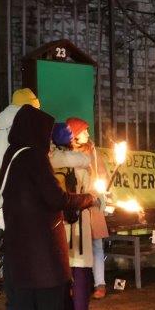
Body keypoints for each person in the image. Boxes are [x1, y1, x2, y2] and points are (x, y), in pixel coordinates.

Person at [0, 105, 95, 310]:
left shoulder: (13, 154)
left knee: (25, 302)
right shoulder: (34, 157)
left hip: (21, 242)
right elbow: (56, 198)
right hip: (40, 244)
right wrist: (87, 199)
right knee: (48, 299)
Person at [0, 88, 41, 310]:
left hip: (6, 201)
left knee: (12, 254)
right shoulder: (29, 129)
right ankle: (28, 305)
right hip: (28, 202)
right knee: (30, 254)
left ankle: (12, 306)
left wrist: (3, 188)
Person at [50, 123, 94, 310]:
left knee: (59, 272)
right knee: (81, 271)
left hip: (57, 223)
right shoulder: (83, 164)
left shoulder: (47, 163)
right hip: (80, 222)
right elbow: (92, 194)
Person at [66, 117, 111, 299]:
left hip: (94, 203)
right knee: (74, 246)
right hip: (76, 204)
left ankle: (100, 283)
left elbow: (103, 174)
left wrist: (101, 194)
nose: (88, 134)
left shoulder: (93, 151)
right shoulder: (66, 153)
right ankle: (73, 285)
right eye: (84, 131)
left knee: (96, 244)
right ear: (75, 134)